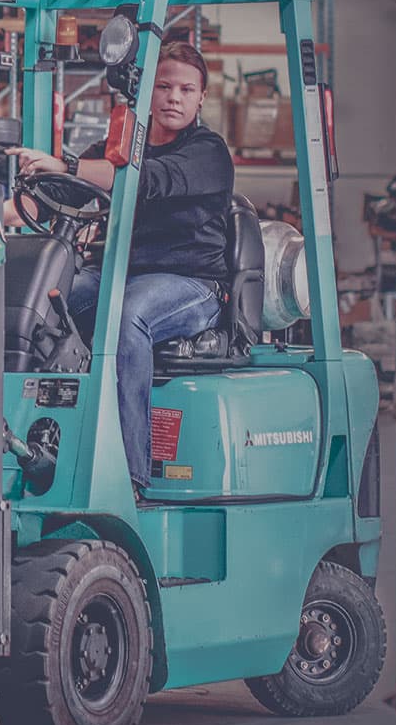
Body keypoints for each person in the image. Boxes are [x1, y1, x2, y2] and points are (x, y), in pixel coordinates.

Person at [16, 38, 233, 496]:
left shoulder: (207, 152)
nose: (174, 97)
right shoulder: (115, 146)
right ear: (147, 93)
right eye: (165, 87)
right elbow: (61, 192)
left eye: (187, 90)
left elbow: (148, 180)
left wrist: (70, 164)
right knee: (38, 307)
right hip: (117, 273)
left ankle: (129, 477)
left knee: (127, 313)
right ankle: (29, 448)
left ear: (201, 98)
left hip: (192, 285)